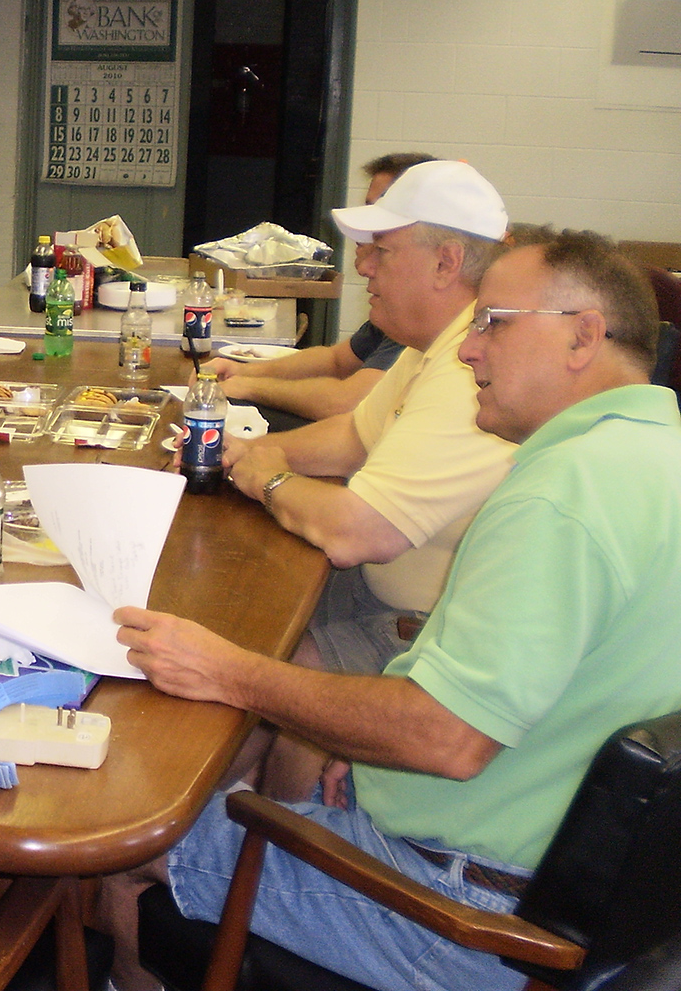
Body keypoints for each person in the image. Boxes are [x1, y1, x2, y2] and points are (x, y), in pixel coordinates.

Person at [103, 229, 679, 991]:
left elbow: (447, 737)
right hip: (585, 900)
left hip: (467, 916)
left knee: (123, 846)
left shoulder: (561, 495)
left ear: (583, 335)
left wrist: (232, 673)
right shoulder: (652, 454)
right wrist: (372, 752)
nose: (469, 351)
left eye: (493, 322)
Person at [224, 161, 518, 683]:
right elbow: (354, 434)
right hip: (376, 589)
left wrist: (268, 478)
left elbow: (358, 533)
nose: (364, 267)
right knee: (235, 602)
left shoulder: (471, 369)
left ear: (446, 263)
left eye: (382, 251)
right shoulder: (435, 342)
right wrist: (242, 454)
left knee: (241, 661)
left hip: (419, 632)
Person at [204, 153, 435, 423]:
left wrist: (249, 387)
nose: (363, 267)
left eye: (379, 221)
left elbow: (345, 403)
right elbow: (336, 361)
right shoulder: (400, 307)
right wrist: (241, 372)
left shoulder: (425, 317)